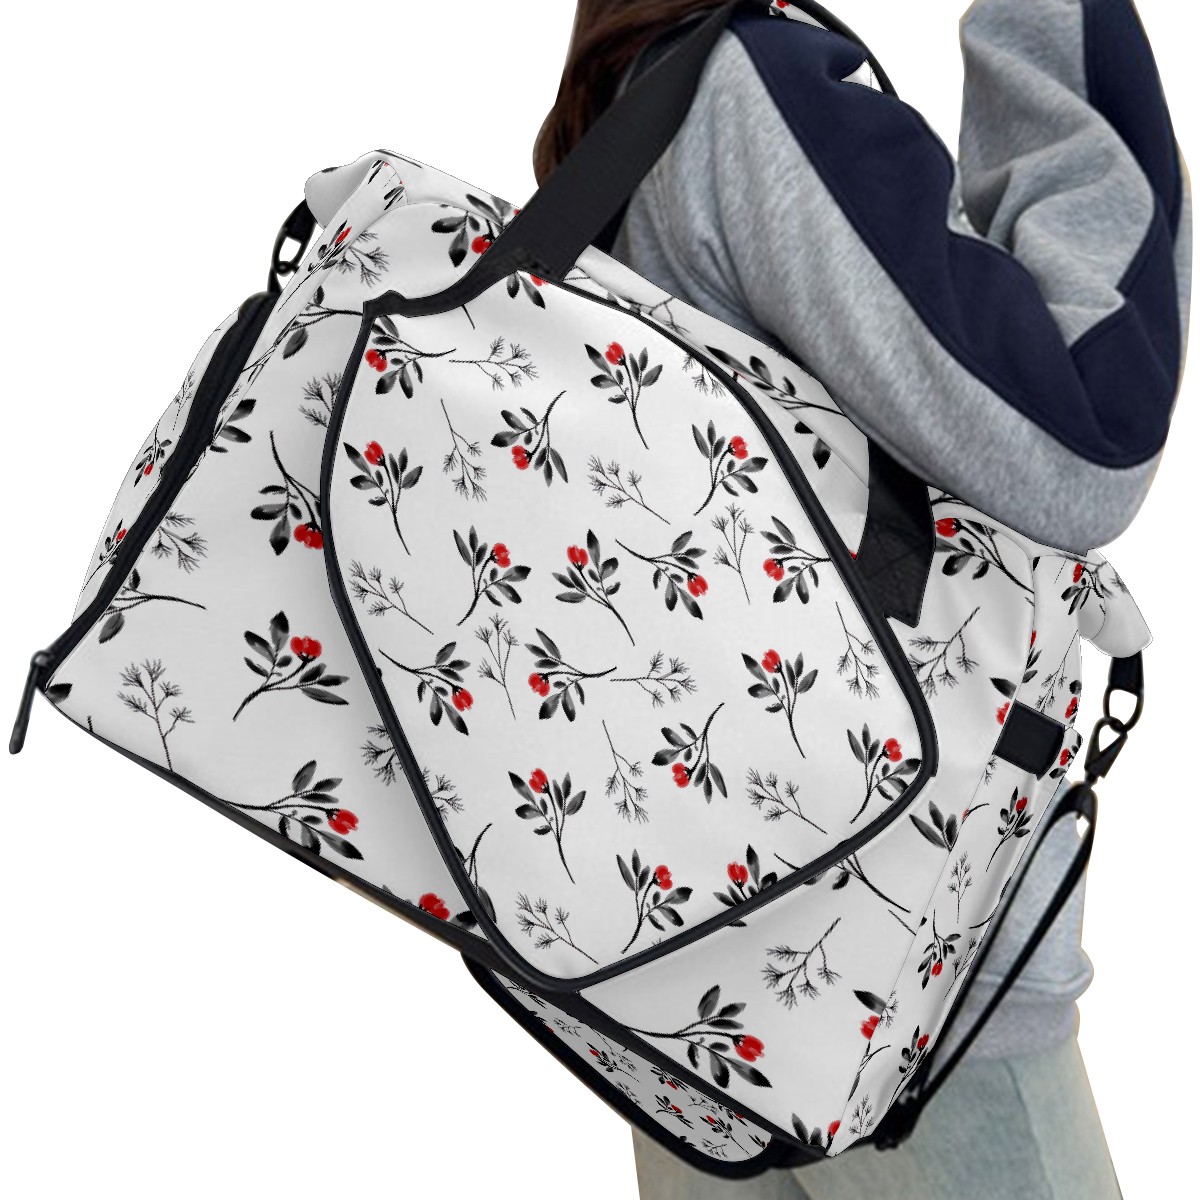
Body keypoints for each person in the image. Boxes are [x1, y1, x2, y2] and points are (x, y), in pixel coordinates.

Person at [533, 1, 1190, 1196]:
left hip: (675, 983)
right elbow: (1084, 435)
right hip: (906, 1000)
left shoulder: (622, 128)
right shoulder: (753, 92)